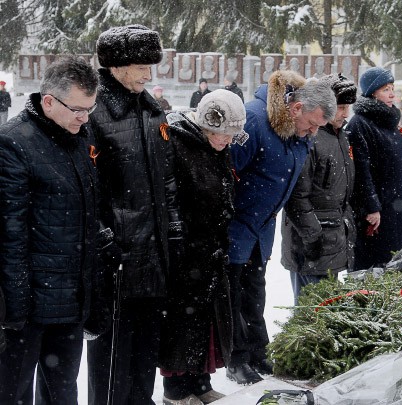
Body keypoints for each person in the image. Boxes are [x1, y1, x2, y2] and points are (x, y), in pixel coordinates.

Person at [87, 24, 182, 404]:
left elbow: (168, 177)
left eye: (151, 66)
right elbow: (86, 189)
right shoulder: (93, 114)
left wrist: (173, 229)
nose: (148, 74)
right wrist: (107, 240)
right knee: (111, 362)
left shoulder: (152, 109)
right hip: (118, 261)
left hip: (155, 257)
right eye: (141, 66)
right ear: (116, 66)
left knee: (146, 355)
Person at [0, 56, 99, 403]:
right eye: (77, 109)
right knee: (12, 393)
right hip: (26, 309)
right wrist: (15, 309)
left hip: (69, 303)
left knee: (62, 393)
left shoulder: (77, 139)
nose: (85, 117)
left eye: (90, 108)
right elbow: (10, 235)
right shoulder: (12, 143)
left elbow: (84, 217)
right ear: (48, 101)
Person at [227, 70, 336, 384]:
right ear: (296, 108)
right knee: (233, 295)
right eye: (312, 124)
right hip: (236, 224)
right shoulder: (255, 120)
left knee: (254, 291)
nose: (313, 132)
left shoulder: (299, 132)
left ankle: (259, 352)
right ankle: (236, 359)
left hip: (261, 226)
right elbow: (226, 174)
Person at [159, 89, 245, 404]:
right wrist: (183, 243)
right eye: (221, 134)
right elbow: (173, 200)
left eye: (231, 136)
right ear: (205, 125)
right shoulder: (178, 145)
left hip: (211, 249)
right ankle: (176, 391)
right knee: (182, 325)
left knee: (206, 324)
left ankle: (200, 382)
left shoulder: (217, 148)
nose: (226, 140)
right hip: (185, 252)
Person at [281, 73, 357, 303]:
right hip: (311, 244)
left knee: (325, 311)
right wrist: (313, 236)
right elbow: (297, 196)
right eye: (341, 107)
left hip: (331, 239)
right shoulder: (310, 137)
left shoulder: (340, 137)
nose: (345, 114)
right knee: (310, 316)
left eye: (348, 108)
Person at [346, 67, 402, 270]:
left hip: (395, 206)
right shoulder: (360, 124)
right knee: (373, 267)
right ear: (372, 93)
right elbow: (362, 170)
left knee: (393, 264)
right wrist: (371, 207)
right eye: (385, 89)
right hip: (377, 214)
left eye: (392, 88)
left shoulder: (389, 122)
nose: (392, 94)